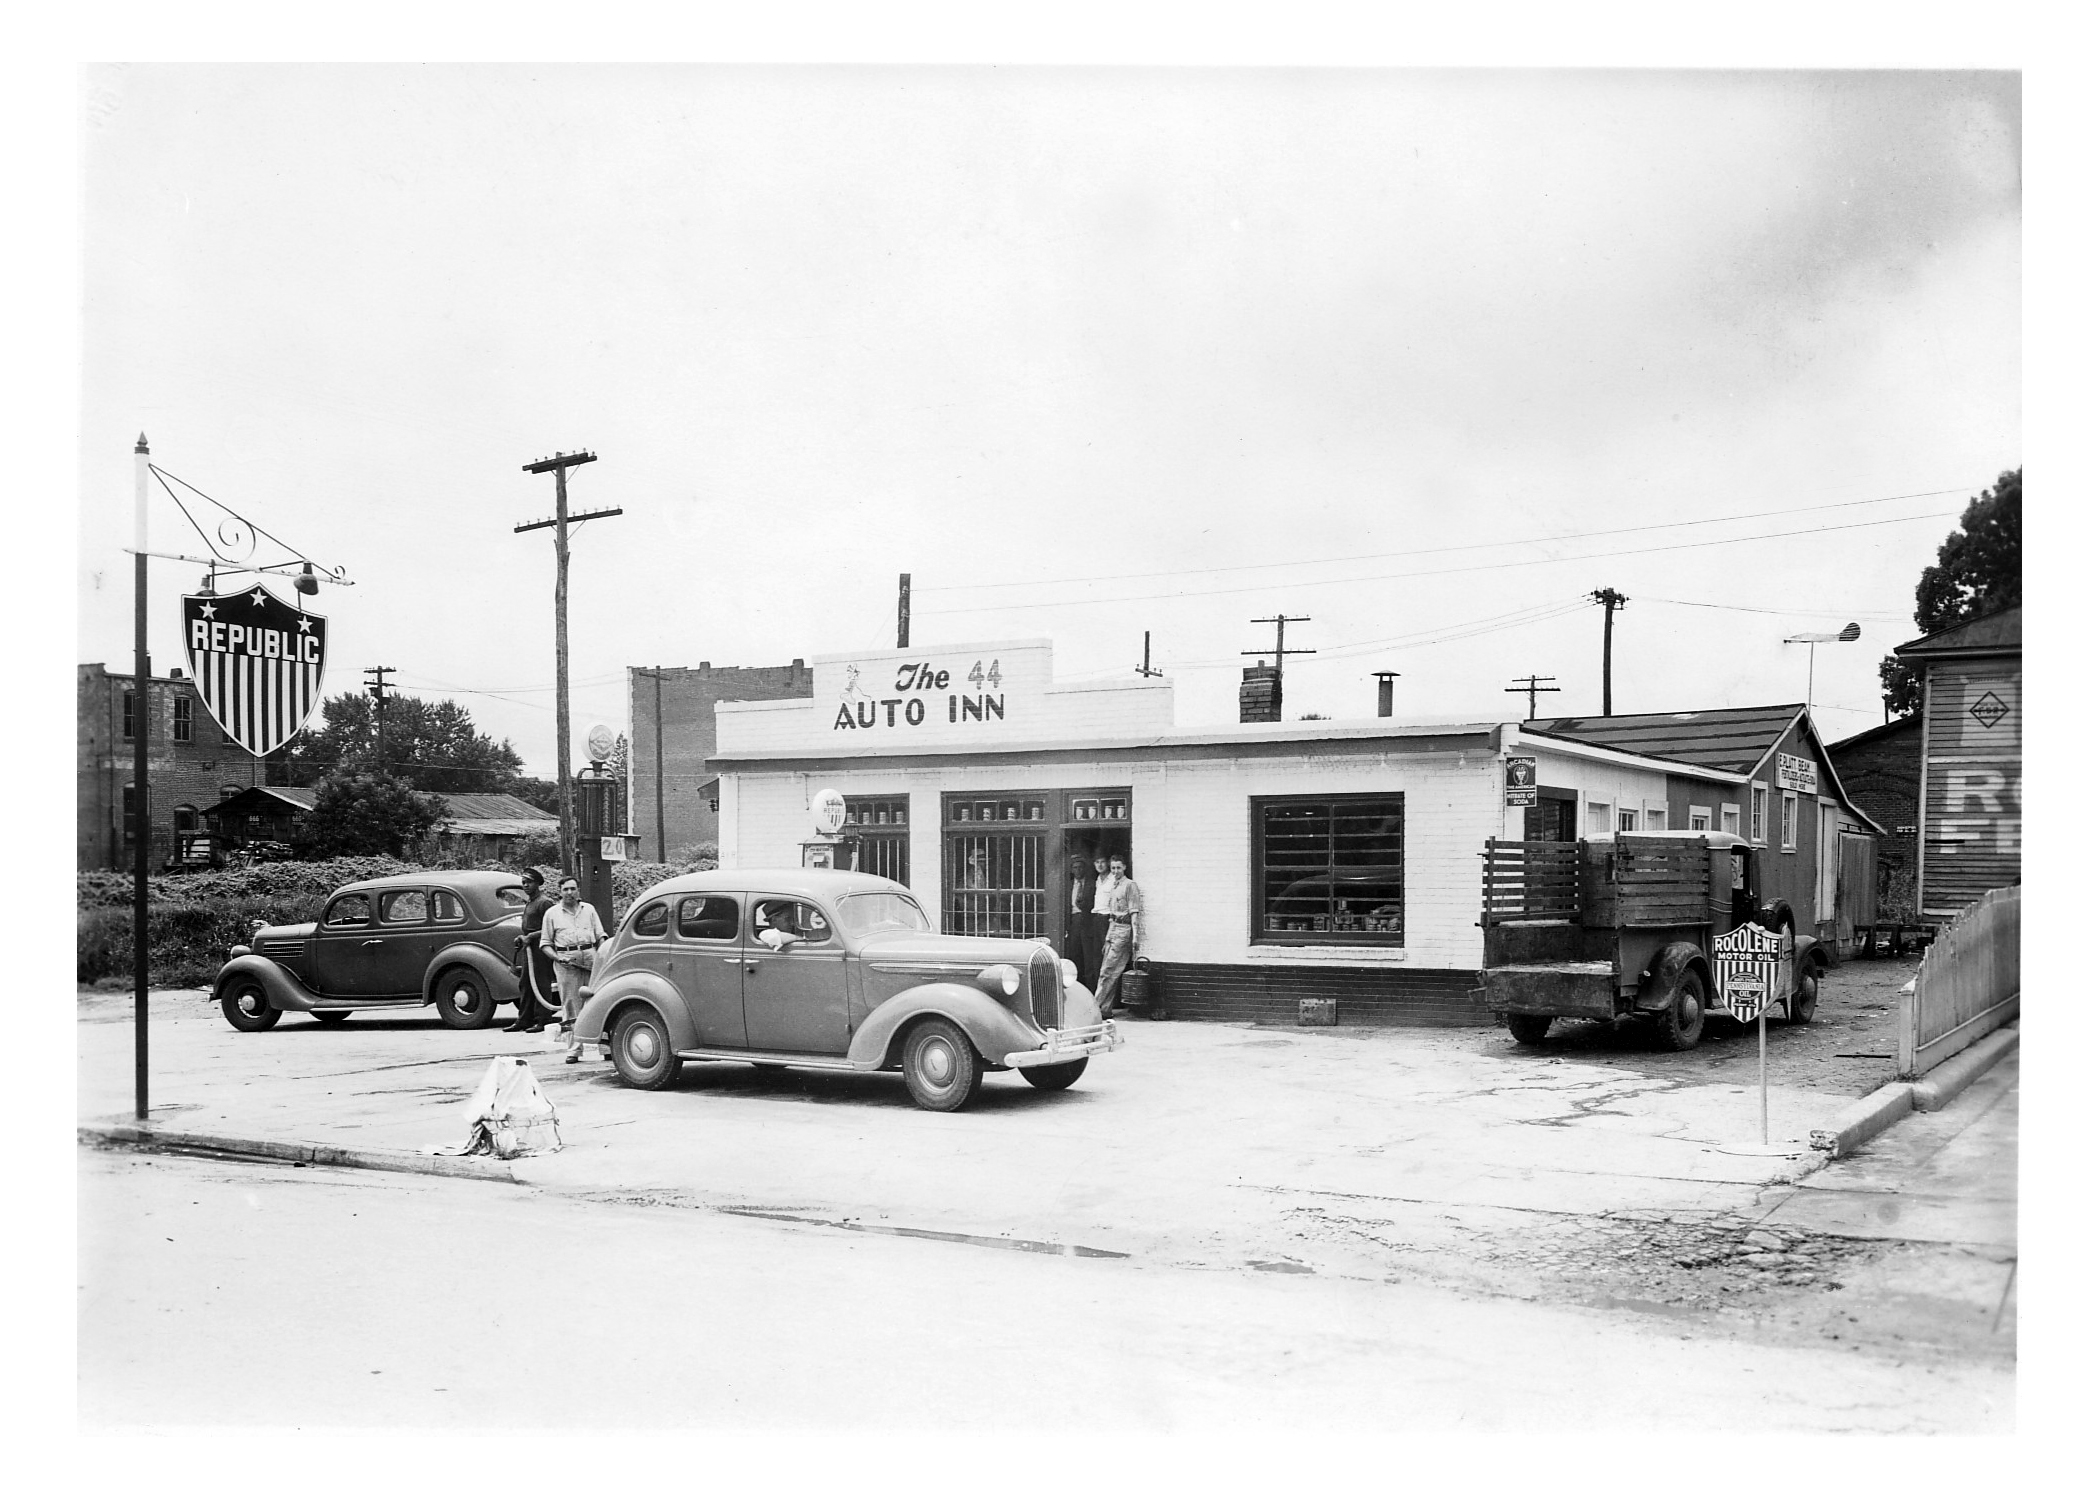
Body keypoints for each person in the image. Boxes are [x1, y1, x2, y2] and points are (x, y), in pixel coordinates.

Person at [540, 875, 607, 1063]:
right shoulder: (552, 914)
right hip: (566, 964)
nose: (569, 893)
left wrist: (600, 955)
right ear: (560, 892)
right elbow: (545, 944)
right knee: (571, 1006)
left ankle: (606, 1047)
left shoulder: (589, 910)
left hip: (590, 959)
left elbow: (600, 935)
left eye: (572, 889)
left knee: (600, 1001)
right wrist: (558, 957)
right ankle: (574, 1050)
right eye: (565, 890)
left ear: (578, 891)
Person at [504, 868, 556, 1033]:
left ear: (537, 884)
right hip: (529, 949)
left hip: (541, 948)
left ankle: (543, 1020)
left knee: (541, 984)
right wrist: (522, 937)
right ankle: (524, 1020)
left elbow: (552, 928)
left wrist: (531, 936)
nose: (525, 885)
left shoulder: (544, 902)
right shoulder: (530, 902)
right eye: (523, 883)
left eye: (529, 882)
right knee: (525, 983)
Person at [1093, 854, 1144, 1016]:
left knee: (1107, 971)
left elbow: (1134, 913)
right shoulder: (1114, 886)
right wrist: (1108, 937)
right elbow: (1112, 916)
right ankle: (1105, 1009)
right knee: (1111, 971)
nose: (1115, 871)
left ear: (1124, 868)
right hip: (1113, 928)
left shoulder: (1130, 885)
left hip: (1123, 930)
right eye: (1113, 868)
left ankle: (1092, 1009)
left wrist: (1135, 937)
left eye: (1118, 868)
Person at [1065, 851, 1099, 989]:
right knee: (1074, 956)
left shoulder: (1092, 884)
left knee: (1088, 958)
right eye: (1075, 868)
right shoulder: (1068, 885)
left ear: (1085, 868)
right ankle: (1074, 987)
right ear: (1071, 870)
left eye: (1080, 867)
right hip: (1073, 923)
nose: (1078, 870)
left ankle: (1090, 989)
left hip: (1087, 923)